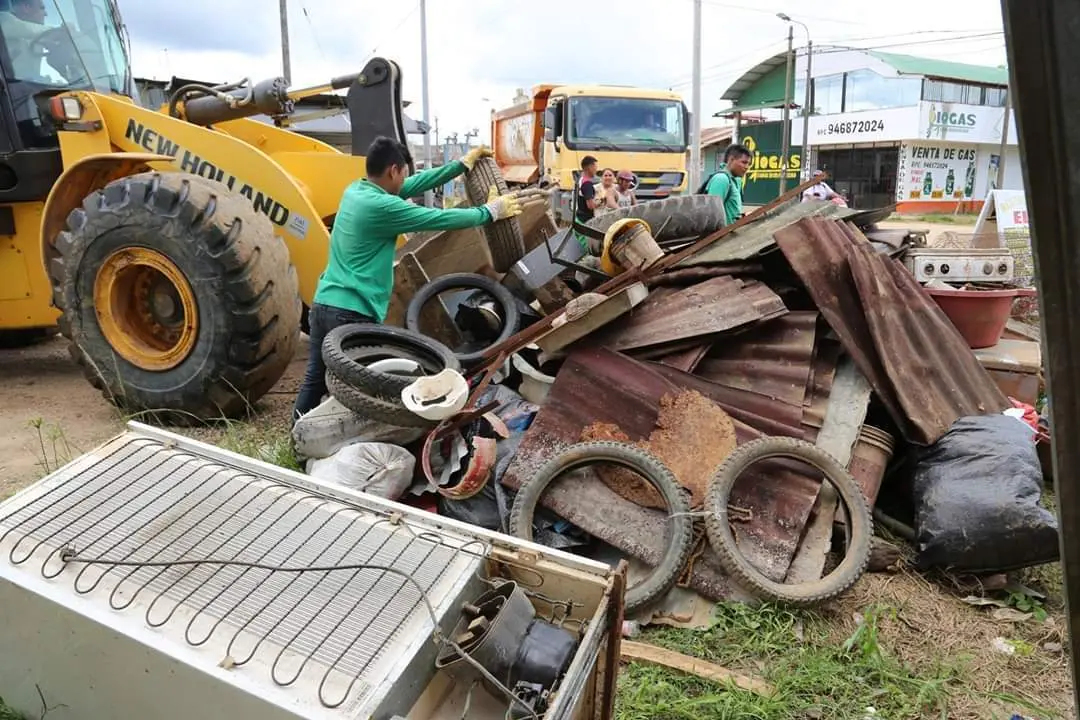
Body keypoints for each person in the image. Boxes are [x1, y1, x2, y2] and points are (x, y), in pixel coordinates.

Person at [292, 136, 527, 422]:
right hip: (352, 312)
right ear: (393, 170)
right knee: (365, 388)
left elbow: (414, 185)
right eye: (404, 172)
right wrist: (489, 212)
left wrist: (459, 166)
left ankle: (299, 436)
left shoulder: (357, 190)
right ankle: (351, 442)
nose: (406, 179)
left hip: (324, 303)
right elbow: (436, 218)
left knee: (315, 379)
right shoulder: (383, 208)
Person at [703, 144, 752, 225]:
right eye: (744, 162)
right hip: (724, 236)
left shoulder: (737, 180)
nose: (747, 167)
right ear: (731, 160)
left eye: (748, 164)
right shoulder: (721, 179)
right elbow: (712, 215)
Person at [575, 155, 600, 223]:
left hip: (580, 218)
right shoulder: (587, 184)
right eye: (595, 166)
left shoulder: (581, 179)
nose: (596, 169)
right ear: (590, 167)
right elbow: (590, 206)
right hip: (586, 221)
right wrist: (602, 202)